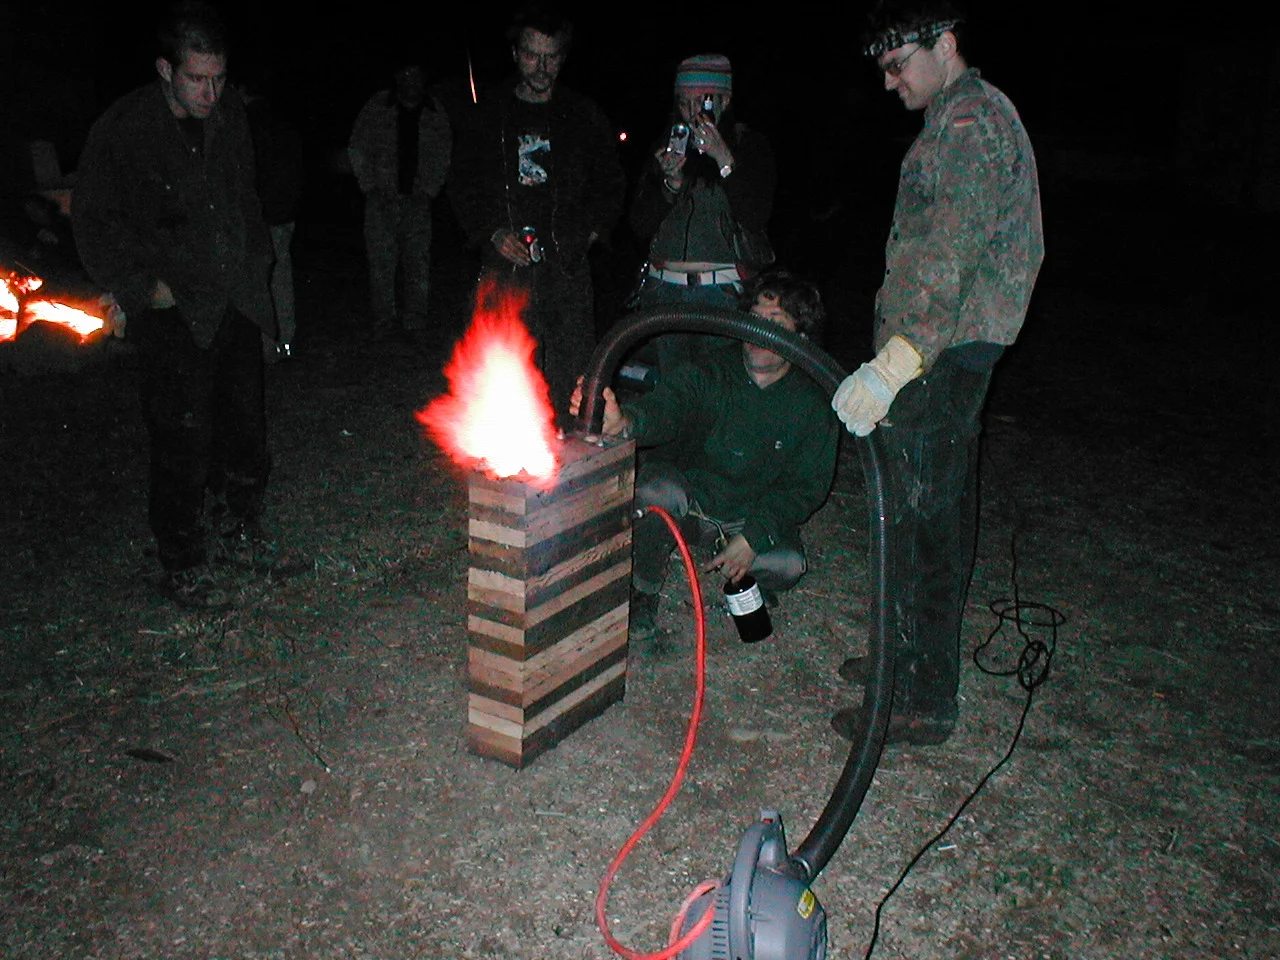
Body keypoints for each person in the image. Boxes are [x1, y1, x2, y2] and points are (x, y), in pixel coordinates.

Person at [830, 0, 1044, 745]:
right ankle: (906, 660)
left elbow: (944, 260)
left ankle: (921, 697)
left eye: (898, 65)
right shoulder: (965, 115)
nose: (889, 83)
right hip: (948, 347)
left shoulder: (966, 126)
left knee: (923, 522)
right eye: (882, 70)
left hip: (943, 352)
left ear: (944, 44)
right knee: (927, 511)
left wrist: (894, 365)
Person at [72, 1, 301, 609]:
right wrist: (139, 288)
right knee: (182, 439)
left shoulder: (229, 119)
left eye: (219, 78)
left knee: (246, 431)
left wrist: (258, 269)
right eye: (197, 78)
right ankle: (183, 558)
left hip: (234, 300)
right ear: (165, 69)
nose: (210, 91)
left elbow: (244, 199)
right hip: (172, 311)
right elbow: (94, 220)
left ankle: (239, 531)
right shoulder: (125, 129)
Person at [570, 270, 837, 647]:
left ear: (800, 337)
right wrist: (626, 420)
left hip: (748, 516)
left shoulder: (812, 402)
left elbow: (806, 487)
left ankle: (736, 561)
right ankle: (643, 589)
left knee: (789, 565)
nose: (758, 336)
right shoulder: (713, 370)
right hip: (694, 503)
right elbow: (669, 406)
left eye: (774, 324)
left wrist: (754, 536)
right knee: (655, 487)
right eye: (754, 321)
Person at [450, 1, 625, 424]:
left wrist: (587, 234)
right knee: (510, 365)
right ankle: (514, 461)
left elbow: (611, 183)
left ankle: (572, 458)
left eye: (551, 56)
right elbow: (462, 183)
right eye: (532, 54)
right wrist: (490, 233)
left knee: (573, 370)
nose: (541, 66)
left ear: (563, 57)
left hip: (565, 267)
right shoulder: (489, 115)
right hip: (507, 267)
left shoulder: (583, 114)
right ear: (515, 54)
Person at [628, 53, 776, 377]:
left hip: (723, 294)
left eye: (704, 102)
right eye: (685, 103)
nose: (694, 112)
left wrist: (724, 159)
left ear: (725, 99)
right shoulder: (665, 147)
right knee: (673, 395)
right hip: (665, 293)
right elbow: (639, 225)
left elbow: (755, 216)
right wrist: (669, 183)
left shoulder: (751, 145)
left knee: (721, 390)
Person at [348, 58, 452, 343]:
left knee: (417, 262)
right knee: (381, 263)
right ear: (397, 77)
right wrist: (369, 185)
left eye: (416, 75)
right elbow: (357, 145)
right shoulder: (378, 106)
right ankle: (384, 320)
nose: (411, 81)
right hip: (381, 199)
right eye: (405, 74)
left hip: (418, 201)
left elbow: (444, 152)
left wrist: (429, 190)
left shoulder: (434, 111)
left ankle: (415, 320)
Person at [244, 81, 302, 361]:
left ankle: (268, 347)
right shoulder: (282, 121)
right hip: (282, 214)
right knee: (280, 276)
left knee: (263, 281)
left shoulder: (247, 124)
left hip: (264, 217)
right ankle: (284, 341)